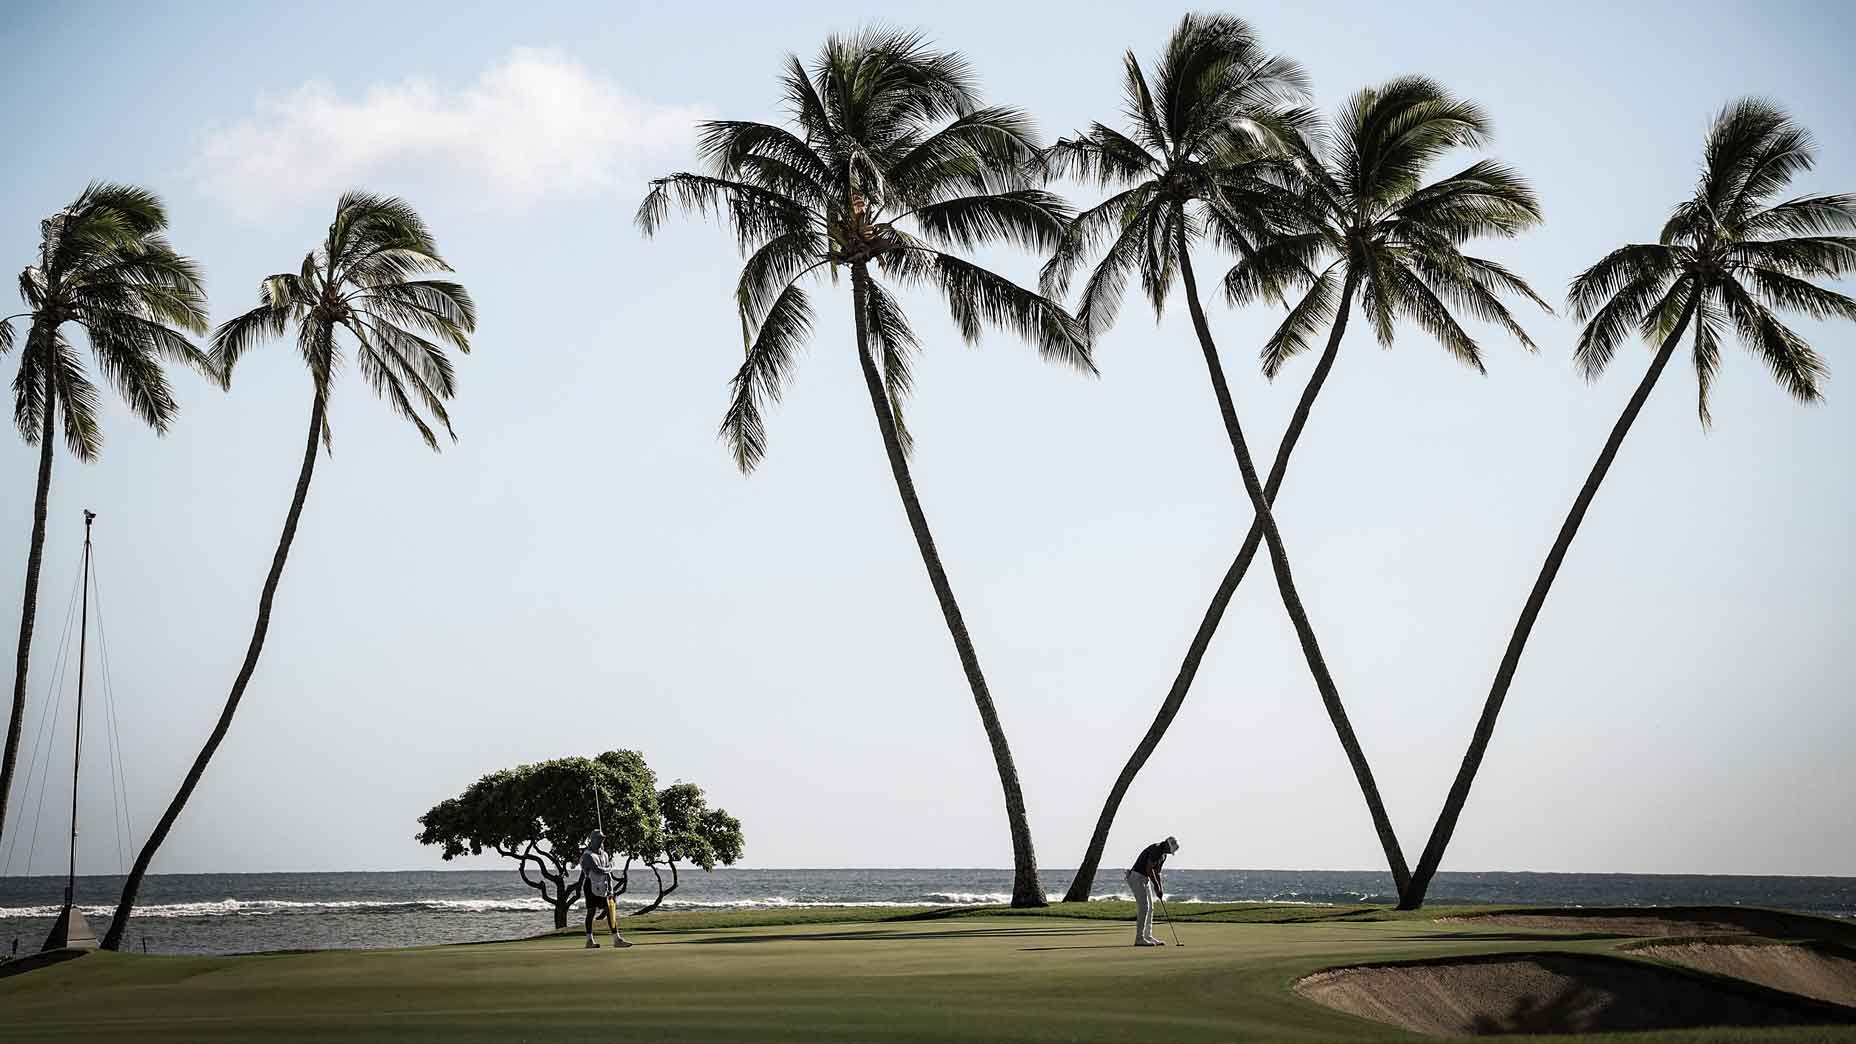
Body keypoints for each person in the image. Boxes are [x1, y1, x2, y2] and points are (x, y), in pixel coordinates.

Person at [580, 830, 633, 949]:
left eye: (602, 839)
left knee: (610, 911)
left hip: (604, 885)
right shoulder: (587, 855)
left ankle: (617, 939)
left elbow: (607, 875)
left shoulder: (604, 854)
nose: (601, 841)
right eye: (599, 839)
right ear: (592, 840)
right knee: (591, 912)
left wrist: (611, 889)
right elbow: (597, 870)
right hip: (591, 885)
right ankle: (589, 940)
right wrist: (610, 867)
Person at [1126, 836, 1179, 947]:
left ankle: (1147, 936)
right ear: (1167, 846)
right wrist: (1155, 885)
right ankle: (1139, 938)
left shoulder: (1163, 855)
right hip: (1136, 877)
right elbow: (1149, 869)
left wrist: (1160, 888)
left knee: (1150, 907)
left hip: (1144, 879)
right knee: (1144, 907)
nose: (1170, 853)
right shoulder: (1156, 849)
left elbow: (1157, 872)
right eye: (1170, 850)